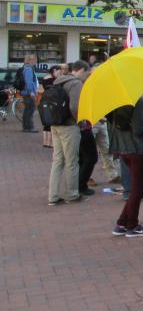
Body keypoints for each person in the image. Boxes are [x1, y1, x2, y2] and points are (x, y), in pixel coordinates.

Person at [109, 96, 143, 238]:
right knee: (138, 188)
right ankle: (132, 225)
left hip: (124, 148)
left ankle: (122, 222)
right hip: (138, 149)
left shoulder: (115, 102)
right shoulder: (137, 102)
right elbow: (138, 129)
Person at [48, 60, 90, 205]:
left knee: (57, 160)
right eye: (86, 73)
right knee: (72, 161)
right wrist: (81, 120)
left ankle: (52, 196)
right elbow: (75, 107)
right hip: (69, 126)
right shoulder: (75, 83)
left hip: (55, 124)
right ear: (81, 70)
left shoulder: (58, 81)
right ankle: (72, 194)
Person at [40, 65, 62, 148]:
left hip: (44, 100)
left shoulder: (45, 78)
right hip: (52, 101)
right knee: (51, 122)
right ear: (54, 70)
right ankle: (50, 143)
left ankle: (45, 142)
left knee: (46, 122)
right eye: (59, 72)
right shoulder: (53, 80)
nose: (59, 74)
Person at [20, 54, 39, 133]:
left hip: (26, 92)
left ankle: (25, 127)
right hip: (28, 92)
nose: (36, 61)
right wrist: (31, 92)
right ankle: (29, 127)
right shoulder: (28, 69)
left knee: (27, 109)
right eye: (35, 59)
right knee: (30, 109)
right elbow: (29, 81)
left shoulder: (25, 68)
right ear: (31, 60)